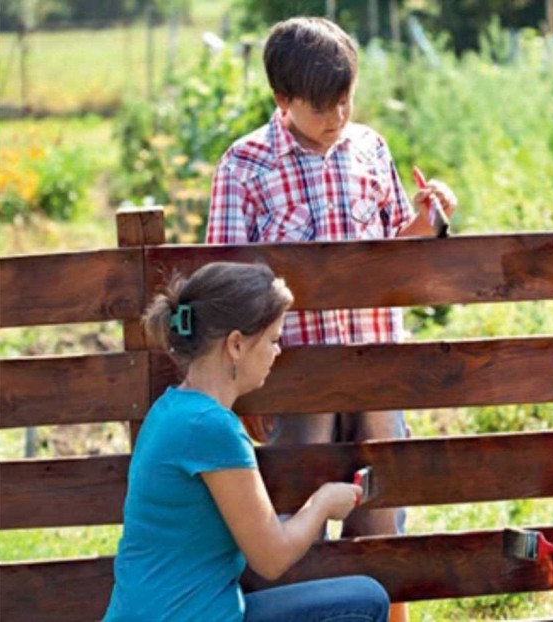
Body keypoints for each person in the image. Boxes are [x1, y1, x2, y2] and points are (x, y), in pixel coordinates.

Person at [207, 17, 457, 621]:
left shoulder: (370, 148)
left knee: (384, 513)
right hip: (297, 378)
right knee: (298, 515)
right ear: (281, 100)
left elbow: (396, 245)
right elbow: (228, 286)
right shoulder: (245, 167)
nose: (338, 115)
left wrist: (429, 221)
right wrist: (241, 385)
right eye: (322, 106)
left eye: (346, 100)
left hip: (376, 362)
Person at [104, 262, 389, 622]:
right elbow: (271, 557)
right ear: (236, 345)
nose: (278, 351)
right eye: (272, 339)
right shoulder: (211, 428)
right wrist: (323, 503)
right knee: (367, 602)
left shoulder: (172, 408)